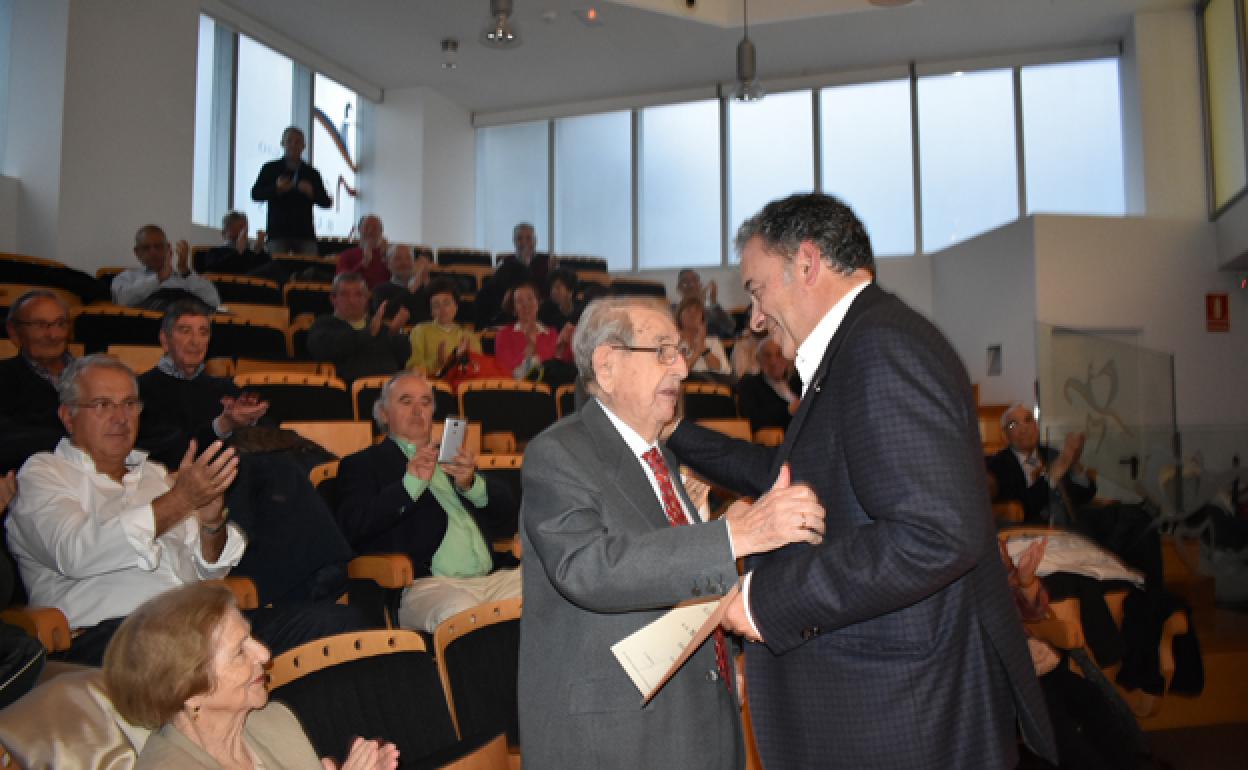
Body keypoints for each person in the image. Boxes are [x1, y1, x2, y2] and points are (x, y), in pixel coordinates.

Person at [665, 193, 1057, 769]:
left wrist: (766, 599)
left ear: (806, 263)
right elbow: (787, 473)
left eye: (756, 289)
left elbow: (934, 534)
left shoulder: (880, 348)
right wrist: (672, 432)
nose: (753, 317)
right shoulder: (862, 345)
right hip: (894, 702)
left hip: (904, 715)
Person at [518, 296, 828, 769]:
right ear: (607, 366)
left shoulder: (661, 459)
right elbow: (588, 567)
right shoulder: (557, 454)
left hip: (696, 716)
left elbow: (677, 581)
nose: (682, 369)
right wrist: (729, 537)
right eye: (663, 350)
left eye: (680, 352)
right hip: (615, 737)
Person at [5, 355, 242, 665]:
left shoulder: (155, 476)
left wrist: (211, 524)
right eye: (103, 405)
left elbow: (206, 568)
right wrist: (181, 501)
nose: (121, 418)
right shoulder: (43, 475)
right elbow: (76, 553)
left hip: (193, 623)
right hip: (110, 637)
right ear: (68, 416)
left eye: (130, 404)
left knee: (319, 626)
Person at [104, 583, 399, 770]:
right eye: (239, 652)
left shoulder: (275, 721)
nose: (264, 654)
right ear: (189, 691)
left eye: (252, 637)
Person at [336, 371, 520, 632]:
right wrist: (409, 485)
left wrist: (470, 484)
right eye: (406, 401)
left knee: (546, 592)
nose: (417, 410)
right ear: (384, 414)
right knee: (464, 613)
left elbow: (508, 512)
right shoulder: (363, 464)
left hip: (491, 580)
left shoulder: (450, 459)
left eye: (425, 402)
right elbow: (353, 527)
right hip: (425, 586)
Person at [987, 403, 1164, 591]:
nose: (1023, 429)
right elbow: (1022, 506)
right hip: (1040, 526)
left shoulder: (1051, 453)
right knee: (1118, 532)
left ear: (1036, 426)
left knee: (1138, 518)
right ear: (1005, 436)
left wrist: (1076, 466)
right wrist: (1055, 472)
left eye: (1028, 421)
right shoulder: (997, 465)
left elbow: (1085, 494)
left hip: (1076, 518)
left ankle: (1152, 590)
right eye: (1013, 425)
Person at [137, 301, 270, 469]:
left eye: (203, 332)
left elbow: (269, 434)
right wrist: (222, 425)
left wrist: (251, 419)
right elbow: (164, 453)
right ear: (165, 339)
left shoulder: (227, 390)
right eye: (185, 331)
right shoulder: (140, 390)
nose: (195, 341)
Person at [0, 290, 74, 471]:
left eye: (60, 323)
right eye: (41, 325)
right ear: (14, 332)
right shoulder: (4, 377)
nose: (54, 334)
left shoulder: (95, 375)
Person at [307, 272, 411, 385]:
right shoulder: (324, 324)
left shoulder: (380, 327)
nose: (352, 301)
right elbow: (326, 349)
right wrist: (368, 333)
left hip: (390, 391)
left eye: (358, 294)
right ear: (333, 299)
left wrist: (394, 332)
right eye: (344, 294)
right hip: (349, 391)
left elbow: (404, 357)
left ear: (366, 298)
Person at [250, 126, 331, 256]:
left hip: (304, 233)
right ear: (282, 143)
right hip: (277, 233)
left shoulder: (311, 173)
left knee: (308, 272)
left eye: (298, 142)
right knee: (275, 270)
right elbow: (255, 194)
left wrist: (312, 193)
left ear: (303, 146)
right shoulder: (270, 169)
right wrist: (276, 189)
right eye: (289, 141)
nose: (293, 145)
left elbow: (326, 202)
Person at [112, 225, 221, 311]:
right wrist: (159, 278)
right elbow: (121, 300)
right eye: (146, 248)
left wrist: (185, 270)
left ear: (168, 248)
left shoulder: (185, 277)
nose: (153, 252)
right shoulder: (127, 277)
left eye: (158, 246)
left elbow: (214, 301)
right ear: (137, 252)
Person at [473, 222, 549, 327]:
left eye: (528, 238)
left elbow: (545, 290)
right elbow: (496, 287)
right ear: (514, 241)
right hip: (510, 307)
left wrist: (526, 266)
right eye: (519, 238)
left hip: (537, 308)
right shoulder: (507, 262)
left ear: (535, 241)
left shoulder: (545, 262)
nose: (524, 242)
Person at [494, 282, 572, 380]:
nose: (526, 304)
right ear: (514, 309)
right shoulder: (504, 335)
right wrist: (530, 354)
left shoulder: (552, 334)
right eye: (519, 301)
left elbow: (556, 369)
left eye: (530, 299)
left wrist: (561, 351)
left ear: (538, 303)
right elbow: (507, 371)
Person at [406, 279, 480, 375]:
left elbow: (478, 366)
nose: (442, 309)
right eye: (436, 305)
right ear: (431, 311)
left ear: (456, 306)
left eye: (447, 303)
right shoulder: (420, 330)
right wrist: (438, 361)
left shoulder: (468, 334)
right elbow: (414, 366)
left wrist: (465, 357)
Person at [735, 338, 799, 432]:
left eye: (779, 354)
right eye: (767, 356)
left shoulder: (798, 383)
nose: (773, 361)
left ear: (787, 358)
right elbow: (752, 421)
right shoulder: (749, 385)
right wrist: (787, 411)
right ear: (758, 359)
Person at [370, 244, 432, 324]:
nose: (404, 263)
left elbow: (435, 312)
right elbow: (385, 313)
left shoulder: (424, 287)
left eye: (408, 258)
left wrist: (427, 284)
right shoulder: (380, 289)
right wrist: (412, 288)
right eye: (398, 259)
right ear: (388, 264)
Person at [675, 296, 733, 380]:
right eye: (688, 311)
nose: (693, 315)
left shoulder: (712, 341)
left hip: (712, 384)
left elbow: (725, 370)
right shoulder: (673, 342)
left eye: (697, 312)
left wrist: (703, 348)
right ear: (679, 316)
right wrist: (697, 351)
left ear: (702, 318)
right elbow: (680, 371)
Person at [201, 211, 272, 276]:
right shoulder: (215, 253)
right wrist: (238, 251)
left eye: (244, 232)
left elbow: (265, 269)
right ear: (224, 233)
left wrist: (258, 251)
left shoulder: (250, 254)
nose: (241, 235)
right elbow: (213, 270)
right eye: (236, 231)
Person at [674, 268, 736, 339]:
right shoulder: (673, 310)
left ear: (700, 285)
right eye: (685, 281)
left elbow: (730, 327)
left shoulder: (711, 311)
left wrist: (713, 301)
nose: (691, 285)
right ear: (678, 288)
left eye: (694, 280)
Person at [335, 215, 391, 289]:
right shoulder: (347, 255)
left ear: (381, 231)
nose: (370, 231)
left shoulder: (390, 254)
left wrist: (386, 258)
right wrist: (364, 263)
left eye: (375, 228)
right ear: (359, 230)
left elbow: (400, 280)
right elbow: (342, 281)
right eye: (366, 227)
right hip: (356, 297)